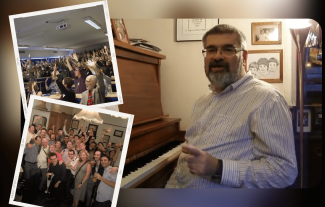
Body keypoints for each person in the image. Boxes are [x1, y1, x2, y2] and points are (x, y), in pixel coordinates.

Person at [165, 24, 297, 188]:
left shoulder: (267, 99)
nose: (217, 56)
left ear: (245, 57)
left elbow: (284, 172)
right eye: (211, 50)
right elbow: (184, 163)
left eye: (228, 49)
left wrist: (218, 168)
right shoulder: (201, 102)